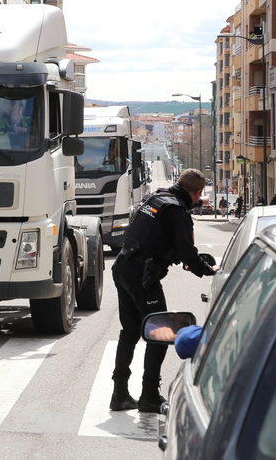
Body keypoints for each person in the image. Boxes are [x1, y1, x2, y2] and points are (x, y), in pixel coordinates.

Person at [109, 169, 218, 413]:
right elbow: (187, 253)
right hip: (142, 276)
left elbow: (165, 236)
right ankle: (149, 395)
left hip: (123, 266)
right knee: (159, 333)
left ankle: (119, 394)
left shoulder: (156, 198)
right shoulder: (178, 213)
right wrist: (208, 270)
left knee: (129, 332)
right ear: (197, 191)